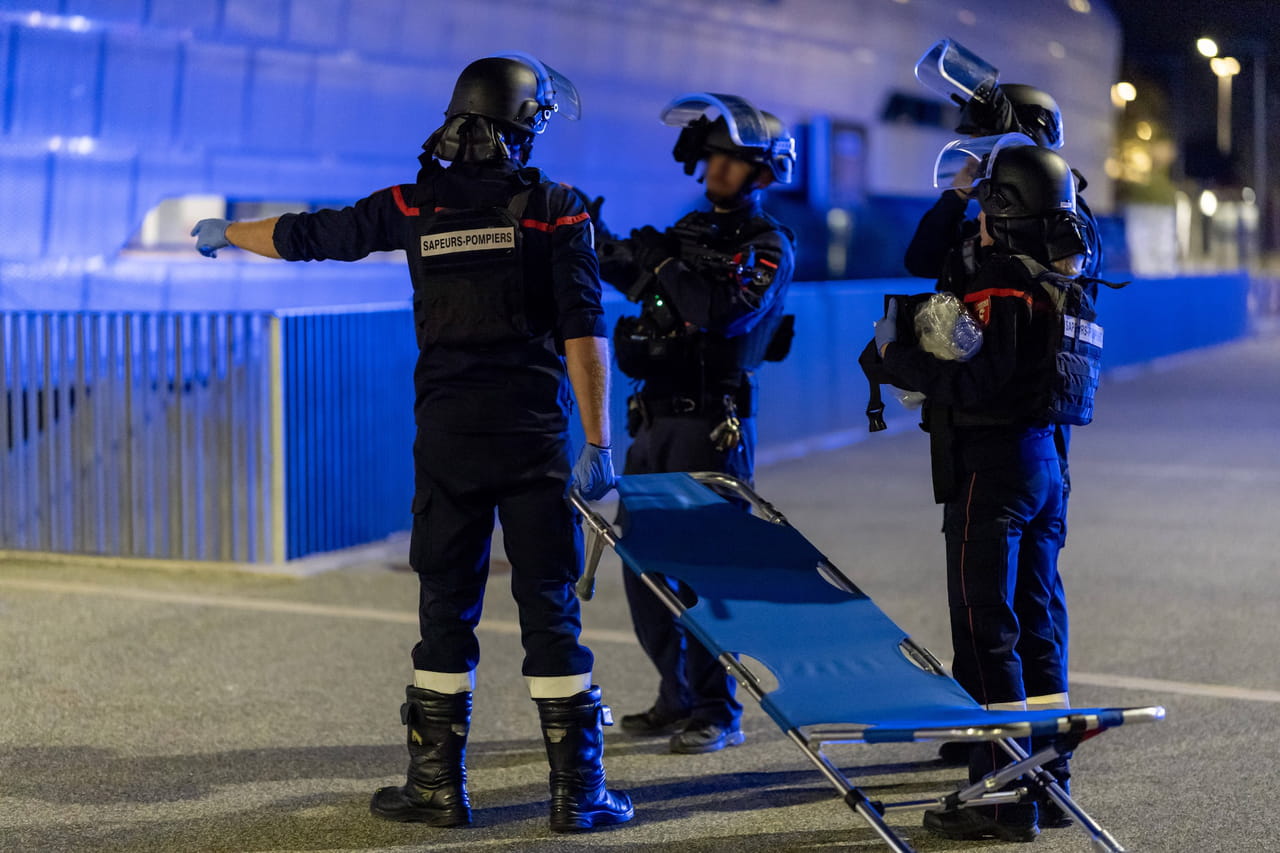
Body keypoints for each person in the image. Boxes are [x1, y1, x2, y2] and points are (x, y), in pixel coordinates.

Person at [190, 53, 633, 833]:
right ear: (523, 123)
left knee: (445, 608)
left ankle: (437, 788)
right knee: (551, 610)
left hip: (448, 441)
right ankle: (578, 795)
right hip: (533, 442)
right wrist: (598, 442)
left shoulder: (414, 204)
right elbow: (584, 333)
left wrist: (227, 232)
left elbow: (309, 235)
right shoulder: (557, 209)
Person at [872, 144, 1102, 842]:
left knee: (985, 625)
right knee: (1036, 624)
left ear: (1004, 210)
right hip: (1043, 467)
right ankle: (1047, 779)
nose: (975, 219)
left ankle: (1000, 798)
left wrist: (895, 357)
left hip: (994, 466)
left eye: (984, 204)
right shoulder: (1065, 275)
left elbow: (978, 383)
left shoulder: (1002, 277)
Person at [594, 93, 797, 755]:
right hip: (651, 421)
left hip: (712, 425)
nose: (719, 168)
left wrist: (658, 265)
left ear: (762, 172)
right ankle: (674, 695)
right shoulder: (685, 233)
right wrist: (587, 235)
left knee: (706, 571)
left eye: (735, 160)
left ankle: (720, 707)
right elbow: (634, 273)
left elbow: (718, 311)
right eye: (715, 155)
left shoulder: (769, 245)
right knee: (645, 568)